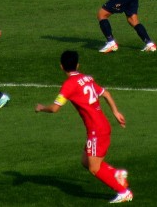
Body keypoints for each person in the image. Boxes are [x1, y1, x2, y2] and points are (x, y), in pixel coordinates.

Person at [35, 50, 133, 204]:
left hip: (96, 131)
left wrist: (41, 108)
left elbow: (54, 108)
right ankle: (116, 173)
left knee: (94, 168)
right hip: (101, 125)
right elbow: (106, 93)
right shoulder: (87, 78)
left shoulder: (69, 85)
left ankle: (123, 191)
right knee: (85, 161)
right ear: (78, 64)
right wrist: (115, 111)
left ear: (61, 67)